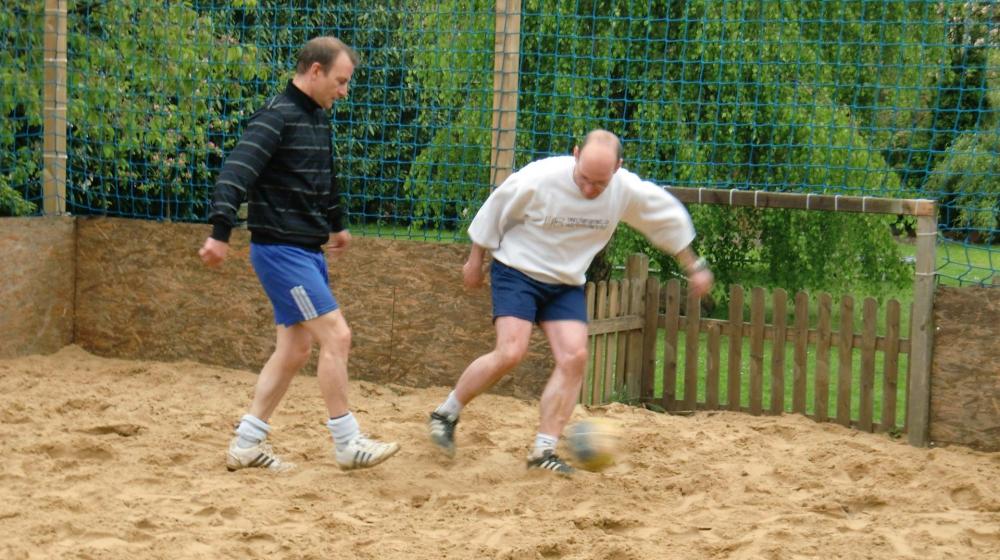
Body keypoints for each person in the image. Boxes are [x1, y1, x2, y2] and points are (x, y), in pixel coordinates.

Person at [428, 129, 713, 475]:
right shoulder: (540, 177)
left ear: (618, 168)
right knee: (511, 352)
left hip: (565, 282)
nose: (590, 189)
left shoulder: (624, 189)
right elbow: (495, 209)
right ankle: (446, 413)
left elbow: (664, 218)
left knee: (574, 357)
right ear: (575, 154)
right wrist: (475, 260)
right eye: (584, 179)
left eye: (600, 183)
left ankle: (543, 450)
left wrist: (693, 266)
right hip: (518, 269)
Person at [199, 36, 399, 473]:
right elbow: (235, 171)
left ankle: (247, 443)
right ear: (314, 71)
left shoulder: (316, 118)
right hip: (280, 250)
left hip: (307, 250)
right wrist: (220, 232)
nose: (344, 91)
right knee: (337, 336)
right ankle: (347, 441)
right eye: (340, 81)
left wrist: (337, 223)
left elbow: (323, 178)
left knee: (293, 351)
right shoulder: (276, 117)